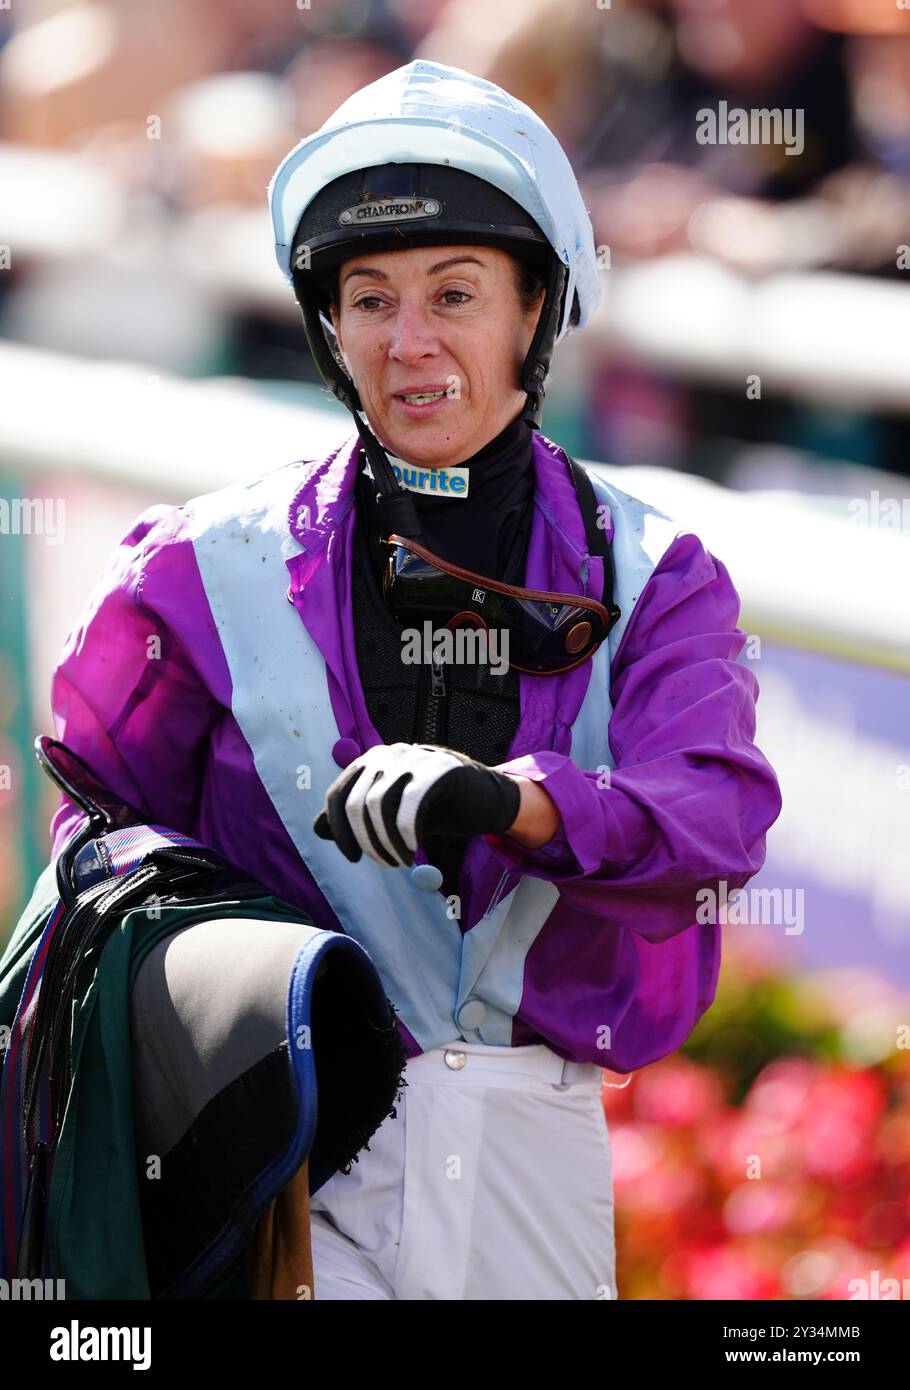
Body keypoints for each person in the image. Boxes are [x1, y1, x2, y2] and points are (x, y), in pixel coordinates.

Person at [43, 59, 782, 1300]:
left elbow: (718, 818)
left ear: (535, 309)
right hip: (282, 1154)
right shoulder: (196, 569)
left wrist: (516, 804)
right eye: (369, 299)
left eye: (454, 292)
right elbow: (94, 844)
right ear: (330, 327)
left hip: (528, 1155)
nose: (410, 340)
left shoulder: (663, 575)